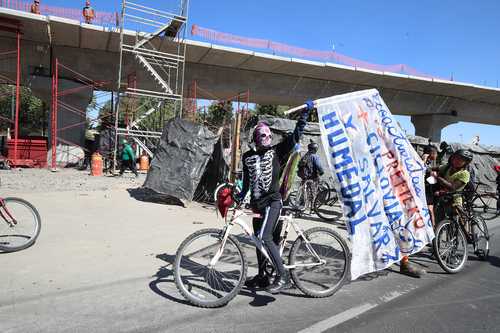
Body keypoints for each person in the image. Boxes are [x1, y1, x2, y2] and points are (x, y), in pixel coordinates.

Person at [237, 102, 311, 294]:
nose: (268, 138)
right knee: (258, 242)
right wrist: (238, 197)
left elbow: (296, 135)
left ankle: (283, 276)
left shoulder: (277, 151)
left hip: (272, 202)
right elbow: (247, 183)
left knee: (266, 237)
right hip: (257, 205)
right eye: (263, 135)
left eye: (270, 135)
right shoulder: (247, 157)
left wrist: (304, 114)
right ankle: (263, 276)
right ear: (255, 138)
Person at [431, 149, 473, 230]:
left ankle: (469, 235)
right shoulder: (447, 167)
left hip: (455, 200)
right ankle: (436, 241)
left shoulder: (465, 174)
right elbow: (434, 168)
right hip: (443, 198)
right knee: (437, 222)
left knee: (461, 223)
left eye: (461, 160)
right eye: (456, 158)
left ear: (466, 162)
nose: (457, 161)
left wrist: (437, 177)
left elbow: (452, 187)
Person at [297, 140, 324, 212]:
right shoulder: (315, 156)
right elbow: (319, 166)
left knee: (304, 192)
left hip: (304, 177)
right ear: (315, 149)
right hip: (312, 177)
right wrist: (321, 172)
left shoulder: (305, 155)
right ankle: (312, 207)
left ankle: (302, 205)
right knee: (313, 192)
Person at [421, 145, 438, 227]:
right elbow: (421, 169)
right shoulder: (422, 161)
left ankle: (433, 228)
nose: (436, 155)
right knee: (430, 210)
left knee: (431, 210)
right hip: (425, 189)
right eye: (435, 153)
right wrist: (423, 159)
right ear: (431, 153)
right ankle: (433, 229)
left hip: (429, 189)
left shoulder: (428, 162)